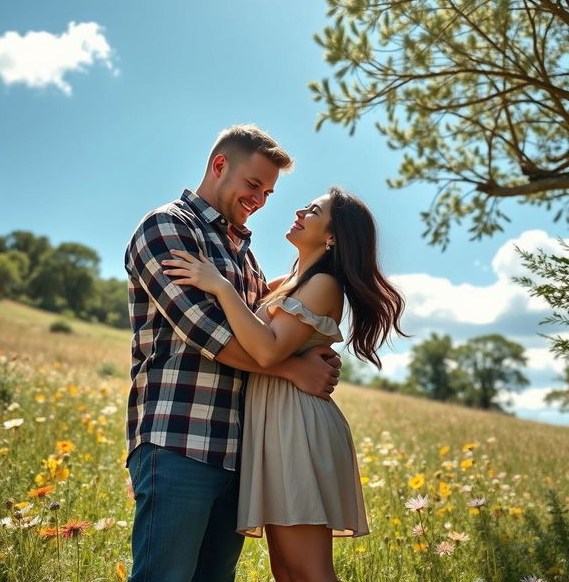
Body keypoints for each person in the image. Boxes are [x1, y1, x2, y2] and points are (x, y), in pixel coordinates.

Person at [123, 125, 341, 582]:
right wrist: (294, 371)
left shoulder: (244, 253)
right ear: (220, 165)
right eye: (253, 185)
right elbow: (207, 332)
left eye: (268, 191)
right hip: (180, 440)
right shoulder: (166, 227)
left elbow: (269, 324)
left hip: (240, 454)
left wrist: (313, 342)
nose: (260, 199)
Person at [163, 186, 406, 581]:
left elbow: (269, 351)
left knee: (309, 572)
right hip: (274, 424)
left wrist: (220, 287)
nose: (299, 211)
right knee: (288, 572)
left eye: (313, 210)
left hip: (298, 425)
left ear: (333, 236)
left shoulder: (323, 284)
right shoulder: (288, 282)